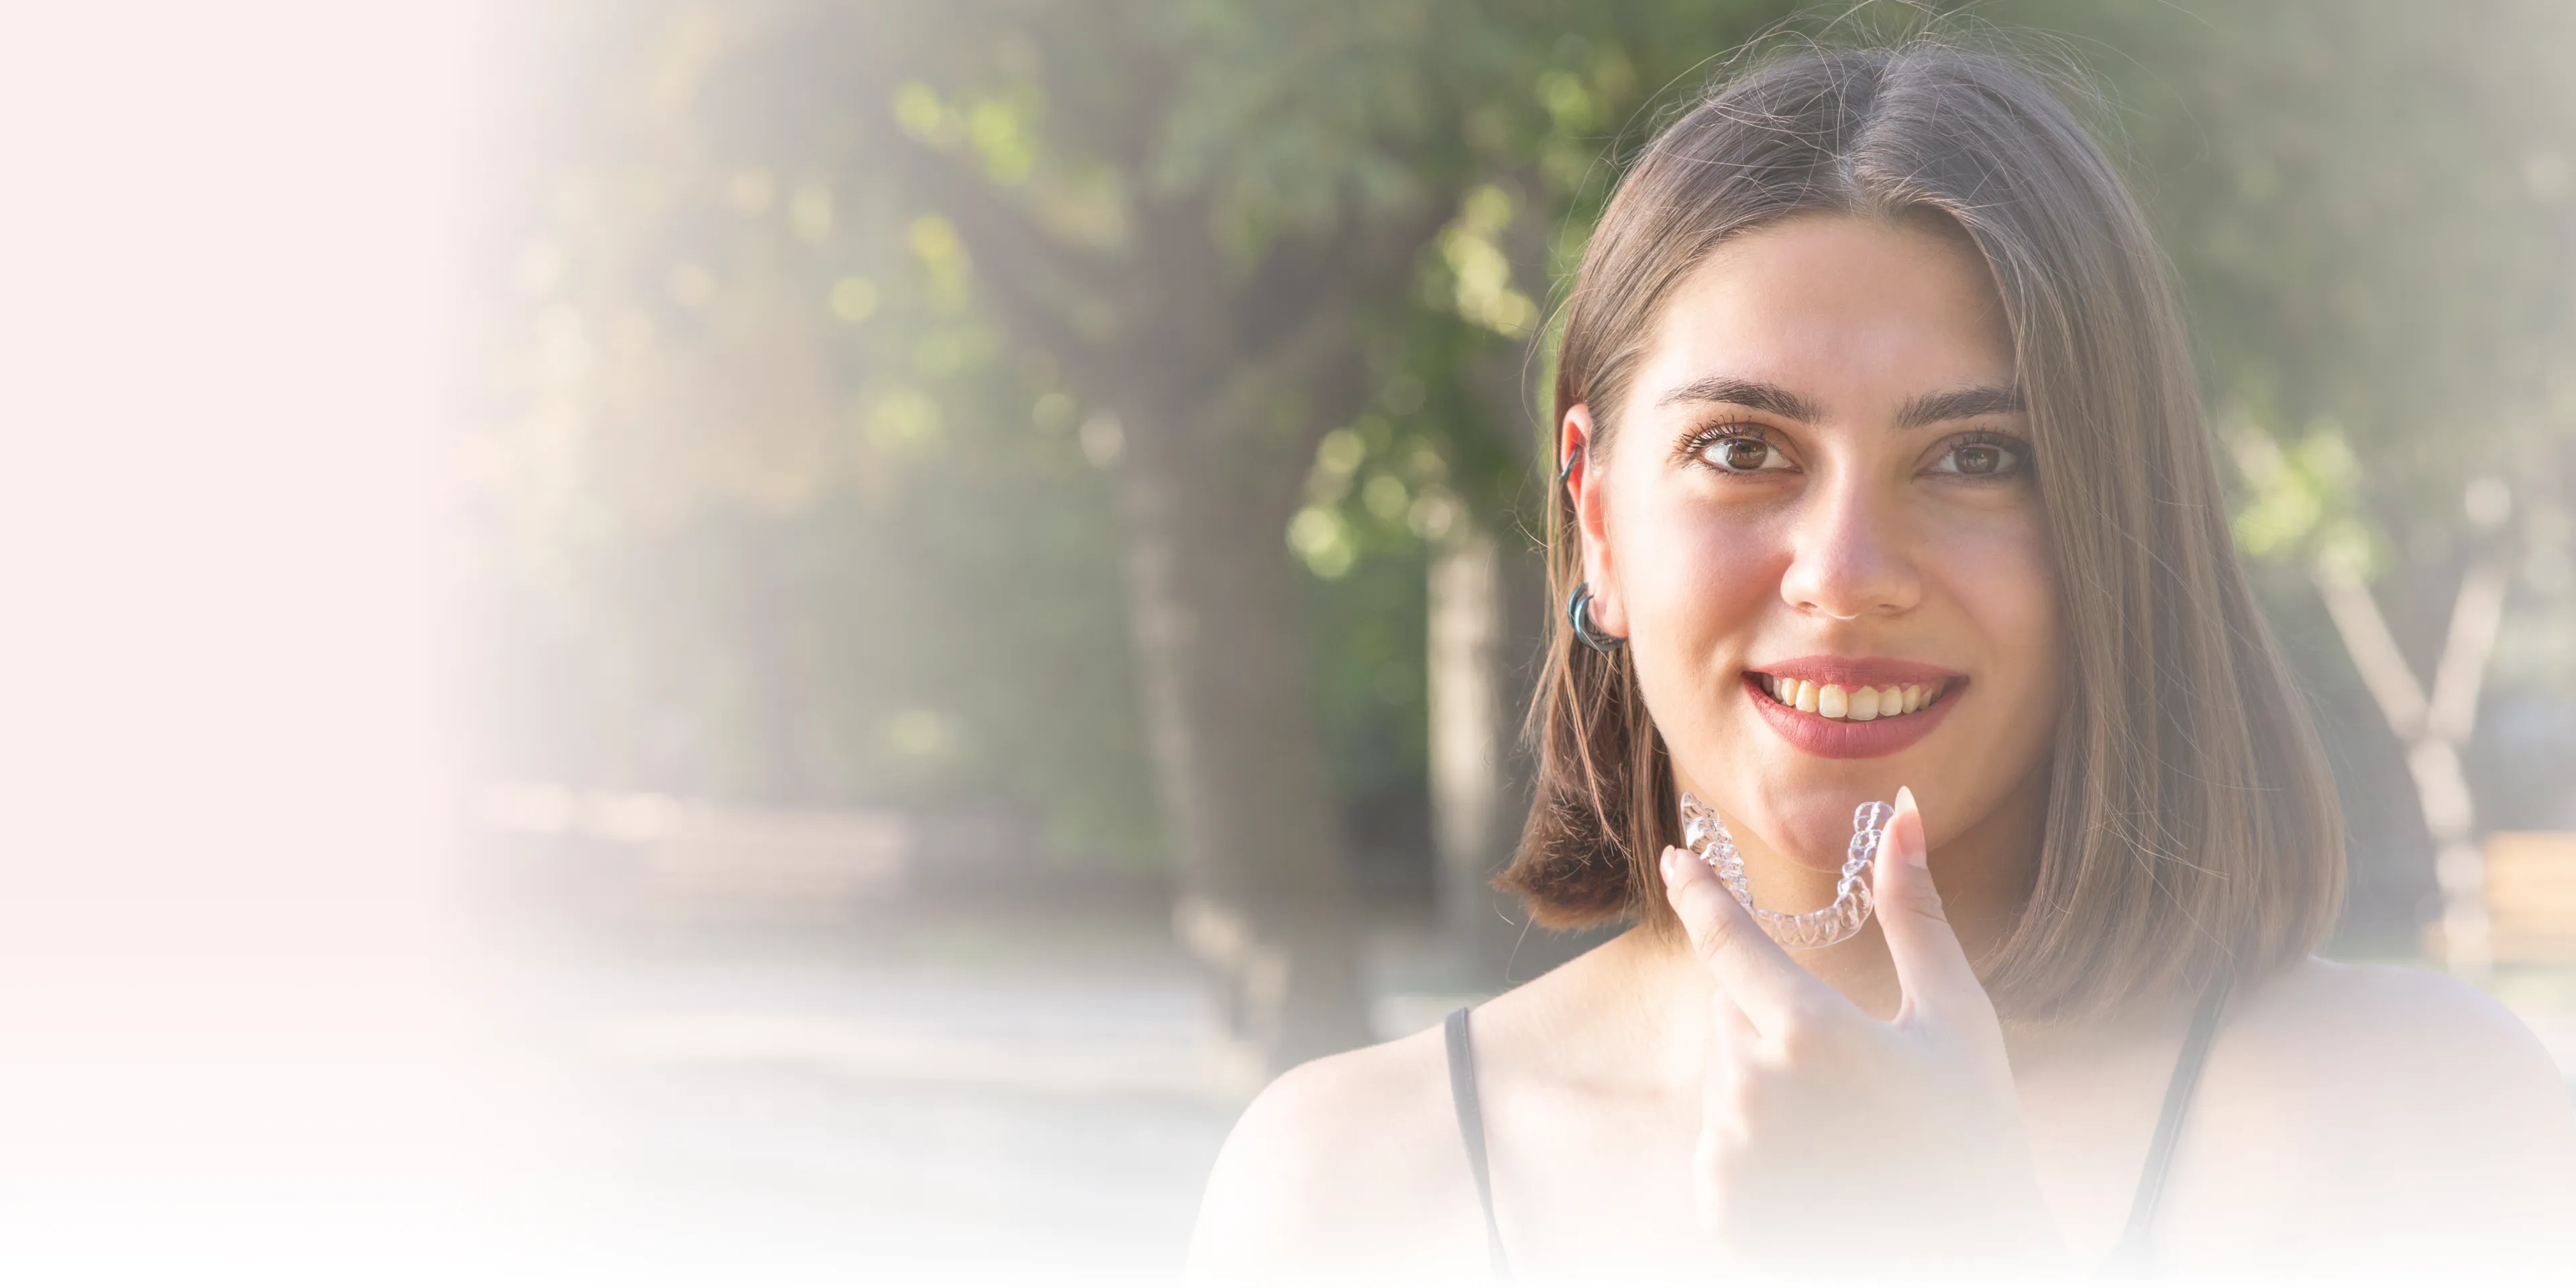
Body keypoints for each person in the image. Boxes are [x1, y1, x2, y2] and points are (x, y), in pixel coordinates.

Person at [1185, 39, 2576, 1285]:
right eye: (1742, 450)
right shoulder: (1340, 1188)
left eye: (1979, 458)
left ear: (2118, 524)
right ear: (1596, 518)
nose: (1845, 576)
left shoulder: (2434, 1125)